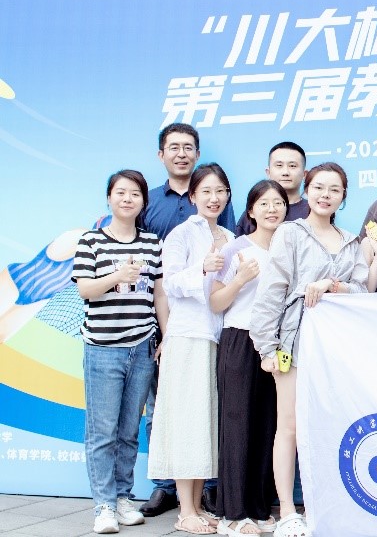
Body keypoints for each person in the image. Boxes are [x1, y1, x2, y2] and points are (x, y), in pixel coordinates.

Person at [250, 163, 368, 537]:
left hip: (336, 348)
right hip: (294, 341)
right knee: (289, 426)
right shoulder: (291, 233)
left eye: (334, 190)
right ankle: (288, 510)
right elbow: (271, 290)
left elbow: (363, 290)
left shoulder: (351, 240)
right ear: (306, 190)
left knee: (330, 424)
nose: (325, 195)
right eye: (318, 187)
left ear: (343, 197)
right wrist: (266, 347)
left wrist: (335, 285)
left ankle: (327, 505)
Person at [141, 123, 233, 518]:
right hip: (186, 334)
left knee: (204, 420)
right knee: (184, 420)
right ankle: (186, 512)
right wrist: (203, 269)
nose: (214, 198)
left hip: (216, 336)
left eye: (220, 191)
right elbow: (171, 283)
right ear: (193, 195)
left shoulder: (230, 237)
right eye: (206, 191)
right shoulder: (181, 234)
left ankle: (196, 505)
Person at [74, 170, 167, 534]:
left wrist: (165, 336)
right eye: (121, 193)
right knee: (102, 432)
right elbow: (85, 290)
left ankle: (124, 498)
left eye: (135, 194)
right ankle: (104, 506)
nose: (128, 199)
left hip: (142, 347)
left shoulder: (152, 243)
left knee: (129, 430)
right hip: (103, 348)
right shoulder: (91, 241)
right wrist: (117, 276)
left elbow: (159, 295)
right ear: (109, 198)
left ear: (144, 201)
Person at [209, 181, 289, 536]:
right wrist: (240, 279)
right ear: (251, 210)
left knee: (267, 426)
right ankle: (233, 513)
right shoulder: (236, 248)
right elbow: (216, 302)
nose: (272, 209)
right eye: (264, 203)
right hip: (240, 339)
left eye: (278, 203)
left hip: (276, 344)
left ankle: (258, 507)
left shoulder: (289, 248)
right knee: (237, 425)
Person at [234, 142, 309, 236]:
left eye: (292, 166)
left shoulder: (313, 210)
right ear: (268, 172)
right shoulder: (256, 212)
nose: (285, 172)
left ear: (304, 174)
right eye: (279, 165)